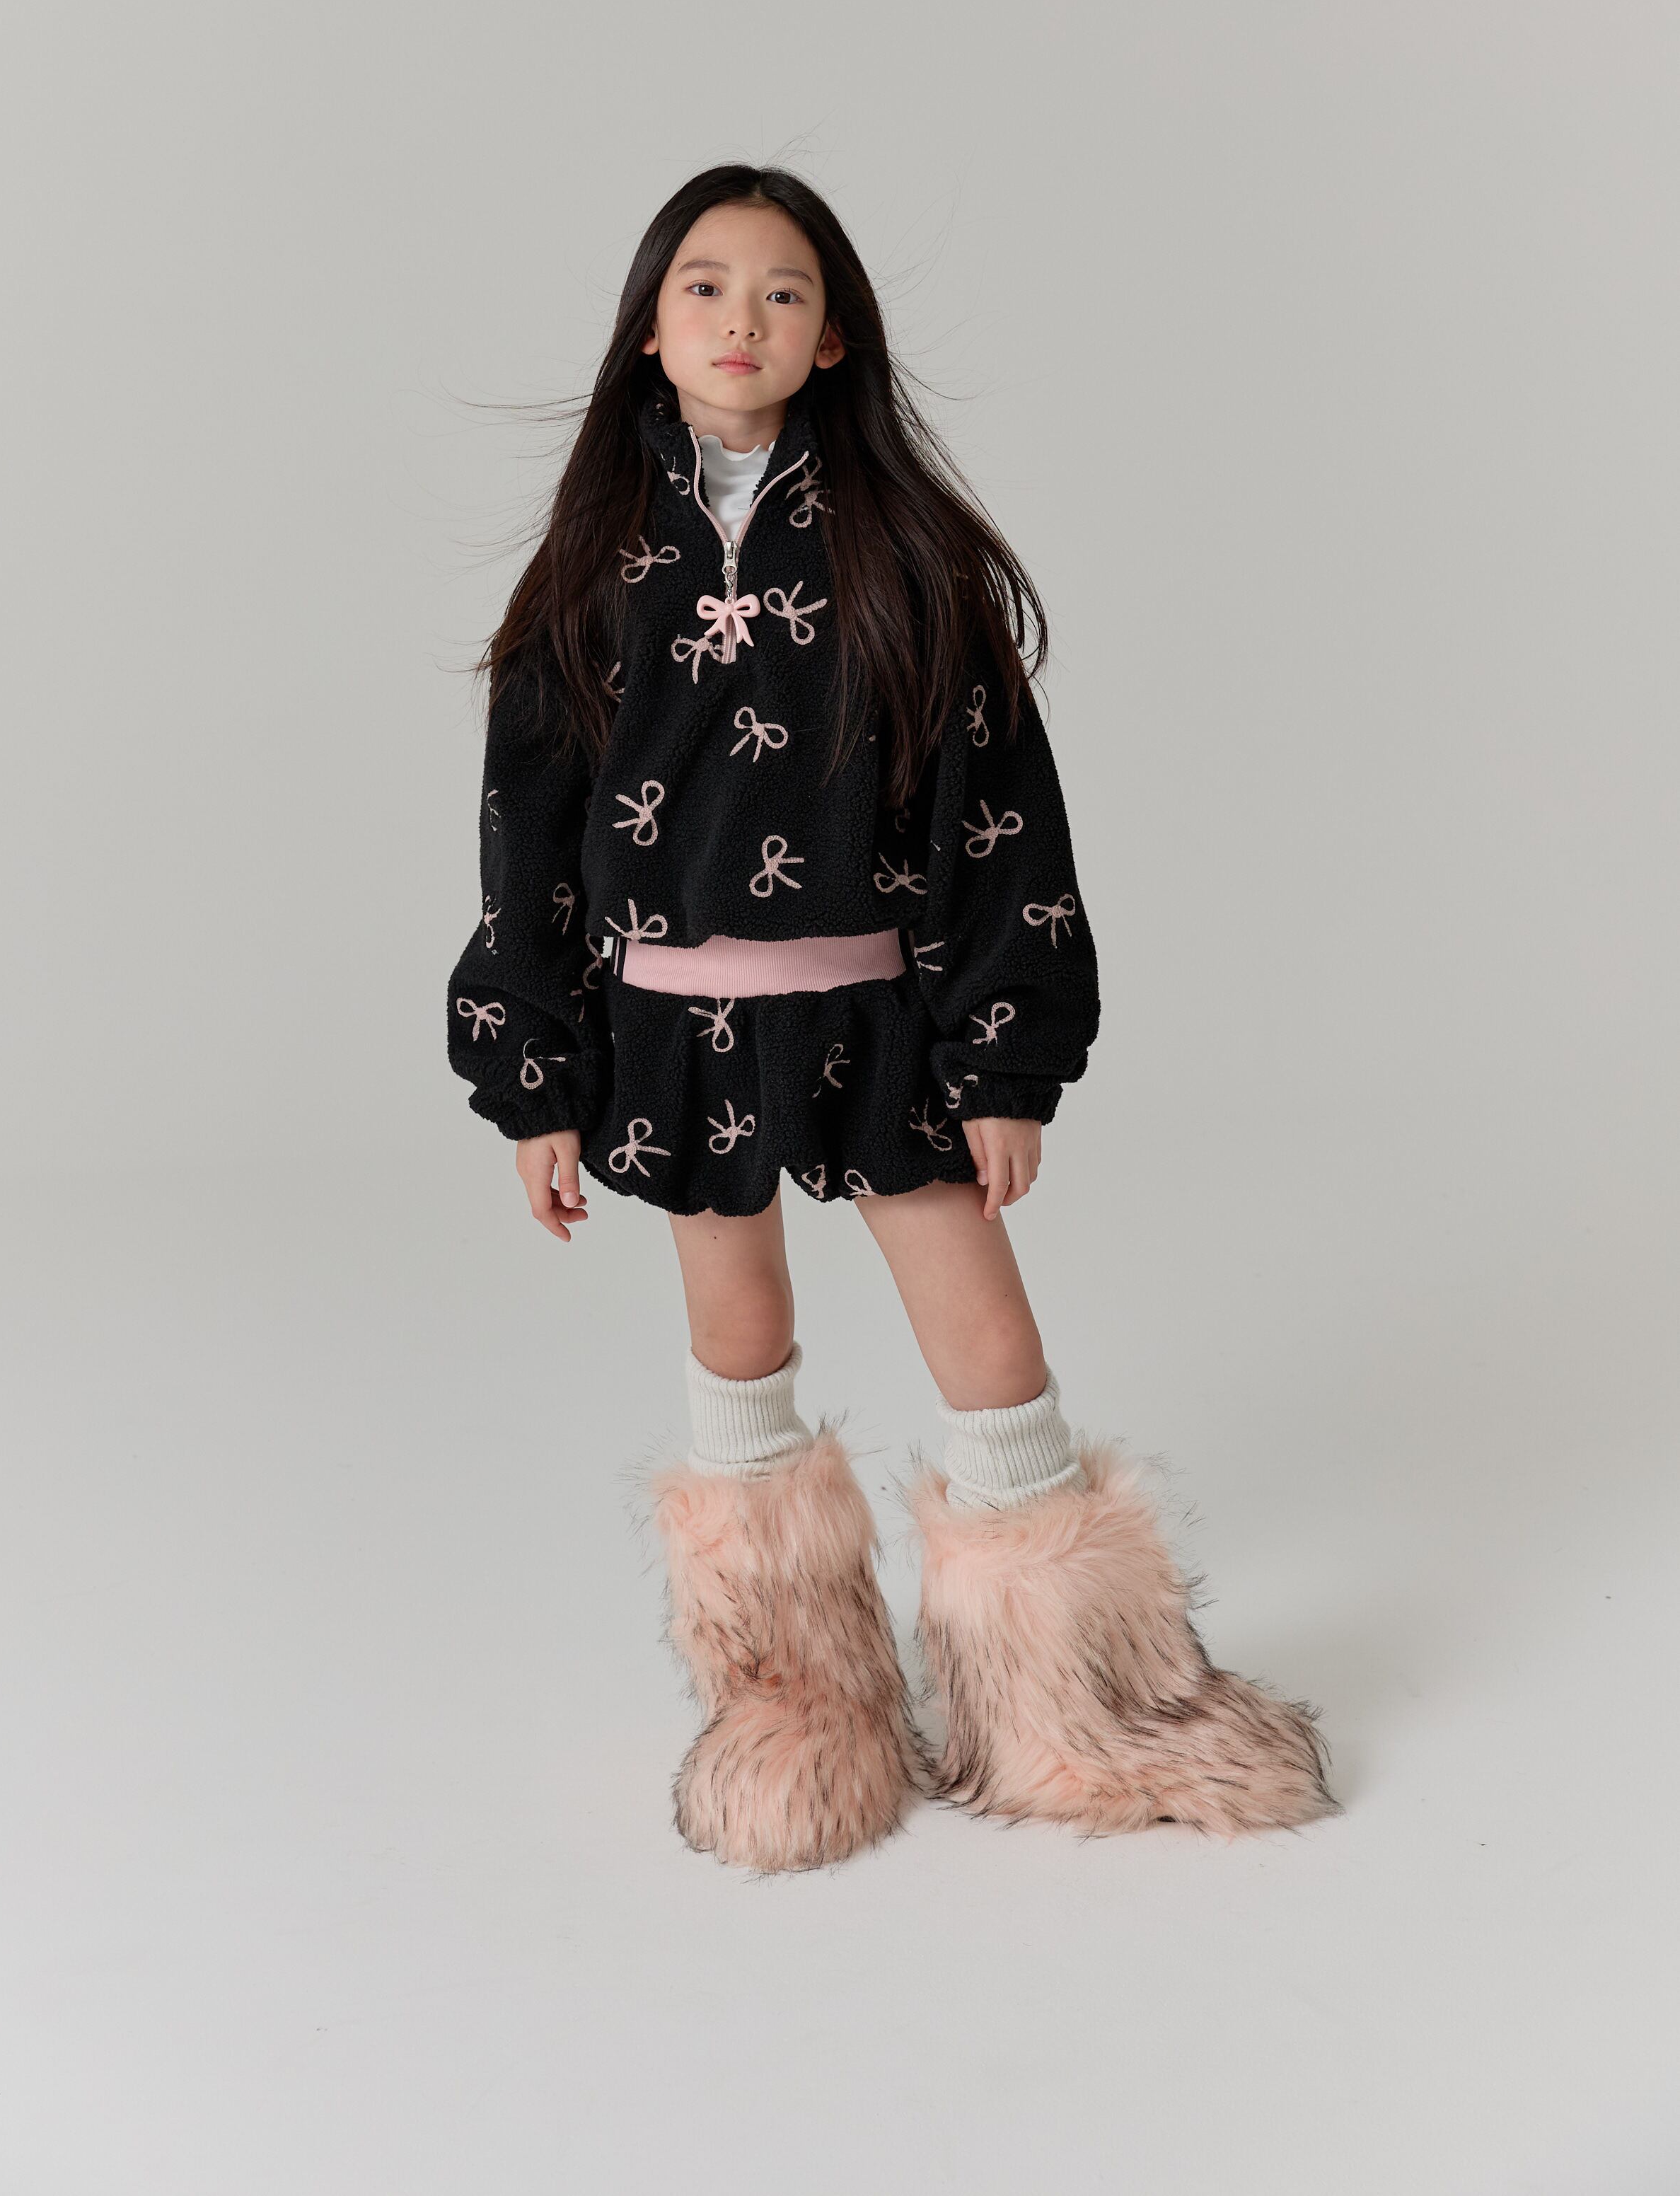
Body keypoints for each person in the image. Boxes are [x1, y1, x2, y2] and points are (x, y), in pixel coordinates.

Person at [447, 164, 1338, 1873]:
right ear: (649, 330)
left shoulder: (902, 558)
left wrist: (1002, 1059)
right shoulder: (582, 576)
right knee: (736, 1340)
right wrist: (534, 1076)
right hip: (671, 1030)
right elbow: (525, 839)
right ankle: (791, 1697)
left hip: (874, 1014)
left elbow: (996, 815)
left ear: (833, 339)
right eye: (704, 286)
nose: (741, 318)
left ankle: (1075, 1699)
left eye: (782, 292)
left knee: (984, 1344)